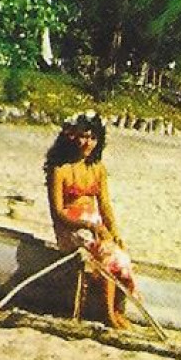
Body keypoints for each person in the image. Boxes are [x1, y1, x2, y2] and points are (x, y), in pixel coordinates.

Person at [45, 111, 135, 328]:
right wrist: (88, 225)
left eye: (93, 138)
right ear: (72, 136)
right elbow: (58, 212)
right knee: (104, 255)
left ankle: (116, 308)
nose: (88, 143)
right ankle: (107, 314)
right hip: (71, 227)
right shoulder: (60, 170)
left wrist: (114, 232)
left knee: (120, 256)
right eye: (84, 136)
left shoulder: (98, 169)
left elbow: (104, 205)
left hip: (94, 225)